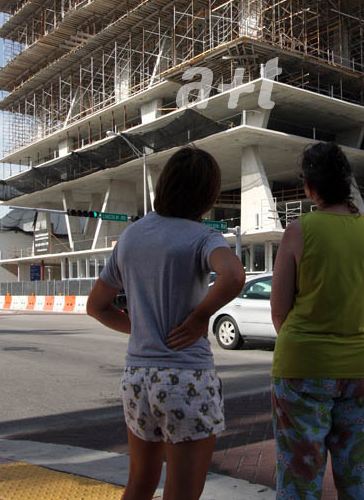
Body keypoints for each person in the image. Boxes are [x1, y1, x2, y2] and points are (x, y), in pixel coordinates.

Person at [87, 146, 245, 500]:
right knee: (182, 493)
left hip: (137, 378)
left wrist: (142, 328)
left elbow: (97, 306)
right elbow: (233, 275)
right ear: (208, 194)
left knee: (139, 484)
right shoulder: (203, 237)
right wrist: (199, 317)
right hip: (185, 376)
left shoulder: (129, 237)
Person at [270, 142, 364, 500]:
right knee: (359, 480)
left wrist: (308, 348)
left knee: (299, 480)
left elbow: (279, 311)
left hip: (303, 369)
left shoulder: (298, 231)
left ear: (309, 187)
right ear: (347, 183)